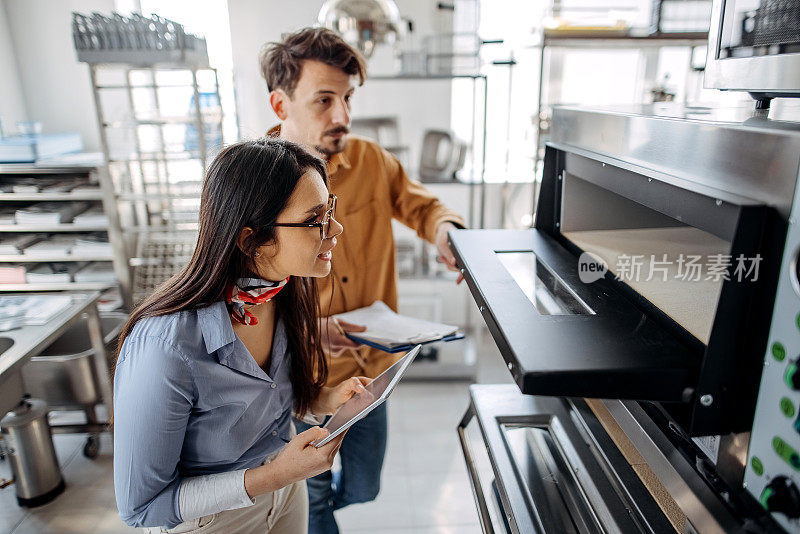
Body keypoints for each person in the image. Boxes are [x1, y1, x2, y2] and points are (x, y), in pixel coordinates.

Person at [259, 28, 467, 534]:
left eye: (348, 99)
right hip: (302, 381)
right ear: (280, 104)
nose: (342, 117)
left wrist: (445, 231)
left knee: (364, 485)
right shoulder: (258, 181)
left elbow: (424, 206)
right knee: (315, 504)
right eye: (324, 100)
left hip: (372, 371)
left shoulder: (371, 161)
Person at [113, 138, 370, 533]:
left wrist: (327, 399)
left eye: (329, 210)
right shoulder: (165, 348)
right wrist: (275, 475)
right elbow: (142, 508)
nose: (334, 229)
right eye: (313, 219)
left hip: (284, 496)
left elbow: (268, 401)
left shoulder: (281, 293)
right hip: (212, 520)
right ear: (251, 241)